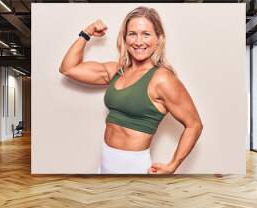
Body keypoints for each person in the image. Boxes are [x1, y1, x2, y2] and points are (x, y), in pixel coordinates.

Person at [59, 6, 203, 174]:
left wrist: (173, 165)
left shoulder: (162, 79)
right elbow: (68, 68)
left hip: (134, 166)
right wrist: (86, 33)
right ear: (125, 38)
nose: (138, 41)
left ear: (159, 39)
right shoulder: (117, 71)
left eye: (146, 34)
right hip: (105, 161)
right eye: (132, 34)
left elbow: (194, 125)